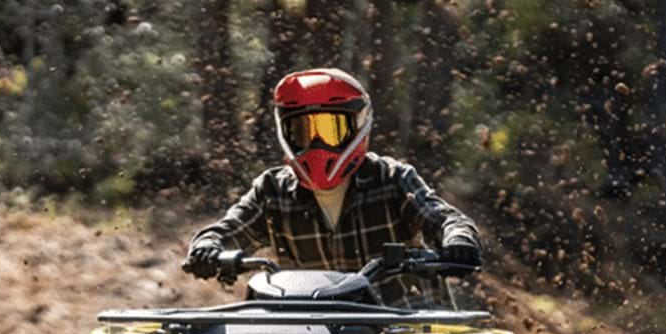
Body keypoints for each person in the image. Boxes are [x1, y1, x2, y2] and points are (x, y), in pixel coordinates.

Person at [184, 68, 482, 301]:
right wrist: (207, 249)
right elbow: (225, 232)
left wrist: (458, 242)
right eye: (303, 131)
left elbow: (445, 219)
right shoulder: (272, 191)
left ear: (359, 126)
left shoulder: (391, 179)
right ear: (284, 132)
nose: (316, 144)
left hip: (406, 333)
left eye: (331, 130)